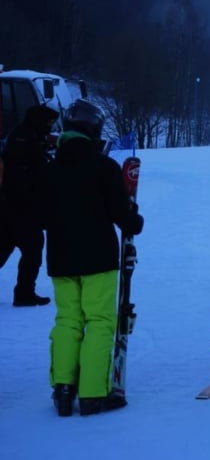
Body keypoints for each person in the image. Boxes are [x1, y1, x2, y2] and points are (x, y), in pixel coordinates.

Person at [41, 100, 144, 416]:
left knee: (68, 321)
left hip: (61, 258)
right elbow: (122, 216)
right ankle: (92, 393)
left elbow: (40, 213)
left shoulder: (50, 168)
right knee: (99, 321)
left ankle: (63, 388)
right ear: (94, 129)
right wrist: (133, 218)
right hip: (98, 258)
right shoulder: (103, 167)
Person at [1, 104, 58, 306]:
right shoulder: (25, 138)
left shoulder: (26, 135)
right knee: (32, 248)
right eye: (49, 122)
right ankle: (24, 293)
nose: (51, 126)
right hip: (21, 205)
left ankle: (25, 292)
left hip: (14, 204)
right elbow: (24, 172)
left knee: (7, 245)